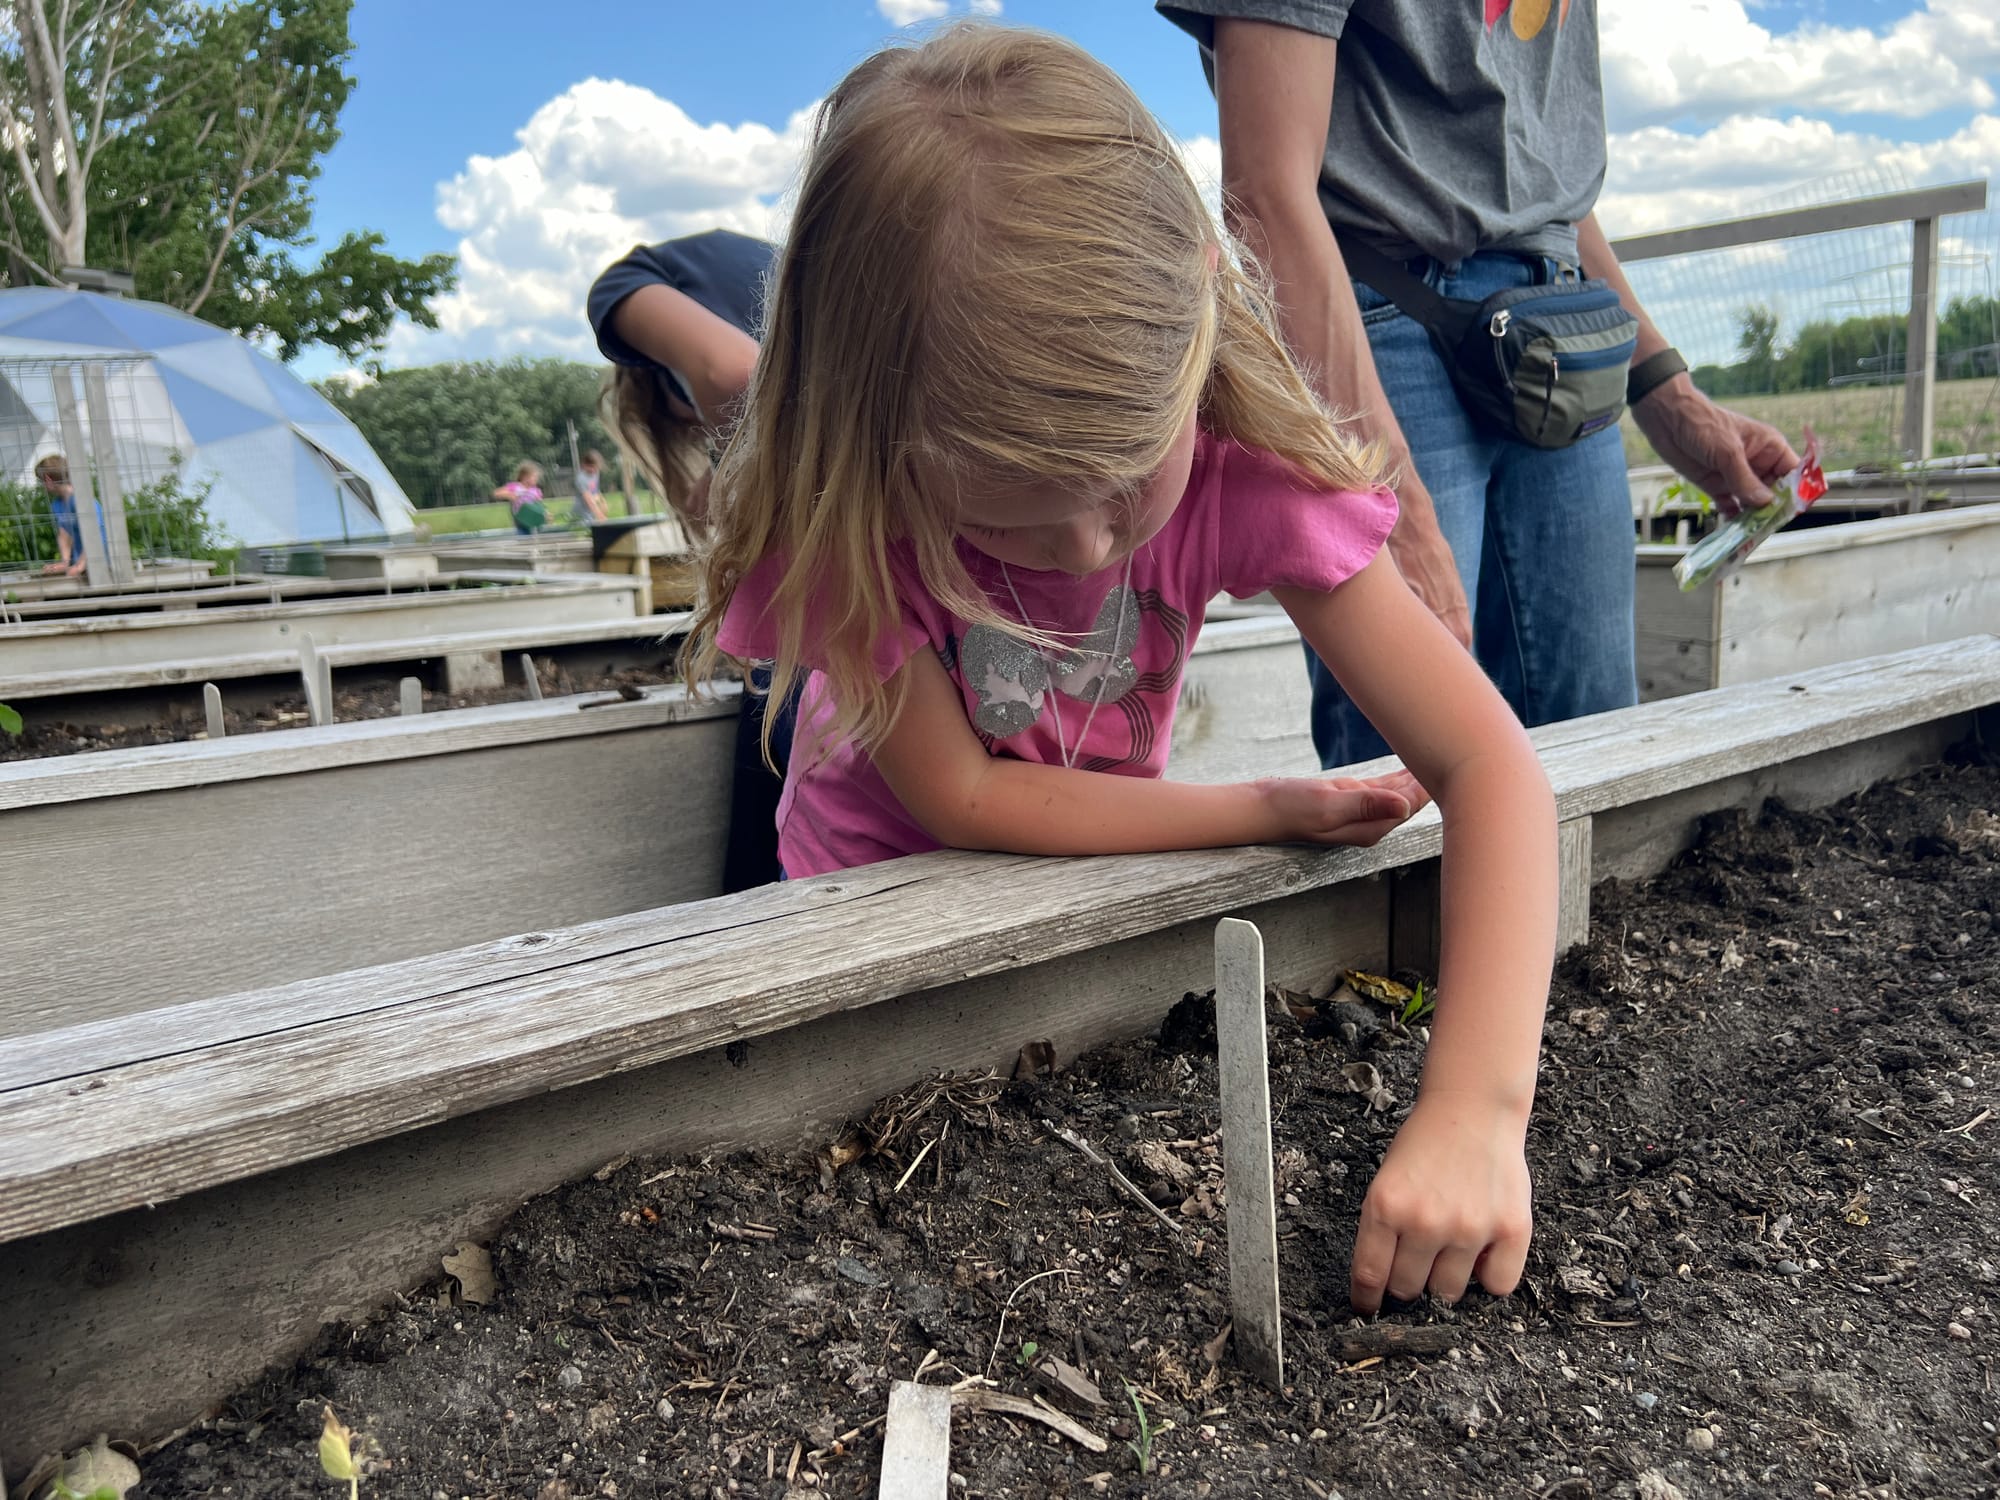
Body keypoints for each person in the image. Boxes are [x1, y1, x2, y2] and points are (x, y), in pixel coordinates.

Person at [688, 24, 1557, 1313]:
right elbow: (966, 802)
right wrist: (1256, 808)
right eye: (1012, 521)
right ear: (876, 434)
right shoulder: (852, 510)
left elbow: (1488, 765)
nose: (1089, 546)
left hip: (1087, 878)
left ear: (1200, 318)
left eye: (1122, 485)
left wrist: (1476, 1110)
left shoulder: (1232, 464)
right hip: (870, 914)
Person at [1156, 2, 1800, 769]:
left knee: (1596, 735)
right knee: (1405, 761)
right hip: (1377, 305)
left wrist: (1666, 392)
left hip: (1563, 317)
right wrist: (1383, 492)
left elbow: (1544, 197)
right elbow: (1265, 190)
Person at [589, 228, 790, 894]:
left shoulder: (628, 283)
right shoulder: (794, 278)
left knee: (775, 728)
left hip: (827, 589)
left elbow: (735, 373)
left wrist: (737, 492)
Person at [36, 454, 96, 578]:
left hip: (99, 561)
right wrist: (65, 563)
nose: (41, 486)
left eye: (41, 481)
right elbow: (64, 534)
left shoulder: (81, 500)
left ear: (48, 479)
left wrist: (81, 565)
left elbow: (95, 533)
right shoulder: (57, 504)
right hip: (80, 562)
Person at [494, 462, 546, 534]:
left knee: (536, 533)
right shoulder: (515, 487)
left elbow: (540, 506)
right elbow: (496, 493)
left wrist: (545, 514)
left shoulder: (536, 491)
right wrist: (510, 495)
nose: (536, 479)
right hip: (520, 520)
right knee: (523, 536)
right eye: (534, 477)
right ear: (524, 477)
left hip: (533, 519)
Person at [574, 450, 609, 523]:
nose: (595, 470)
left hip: (591, 512)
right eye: (592, 467)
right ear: (584, 465)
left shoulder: (595, 473)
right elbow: (589, 500)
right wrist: (600, 516)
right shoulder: (581, 479)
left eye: (596, 467)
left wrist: (603, 502)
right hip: (582, 514)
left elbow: (596, 490)